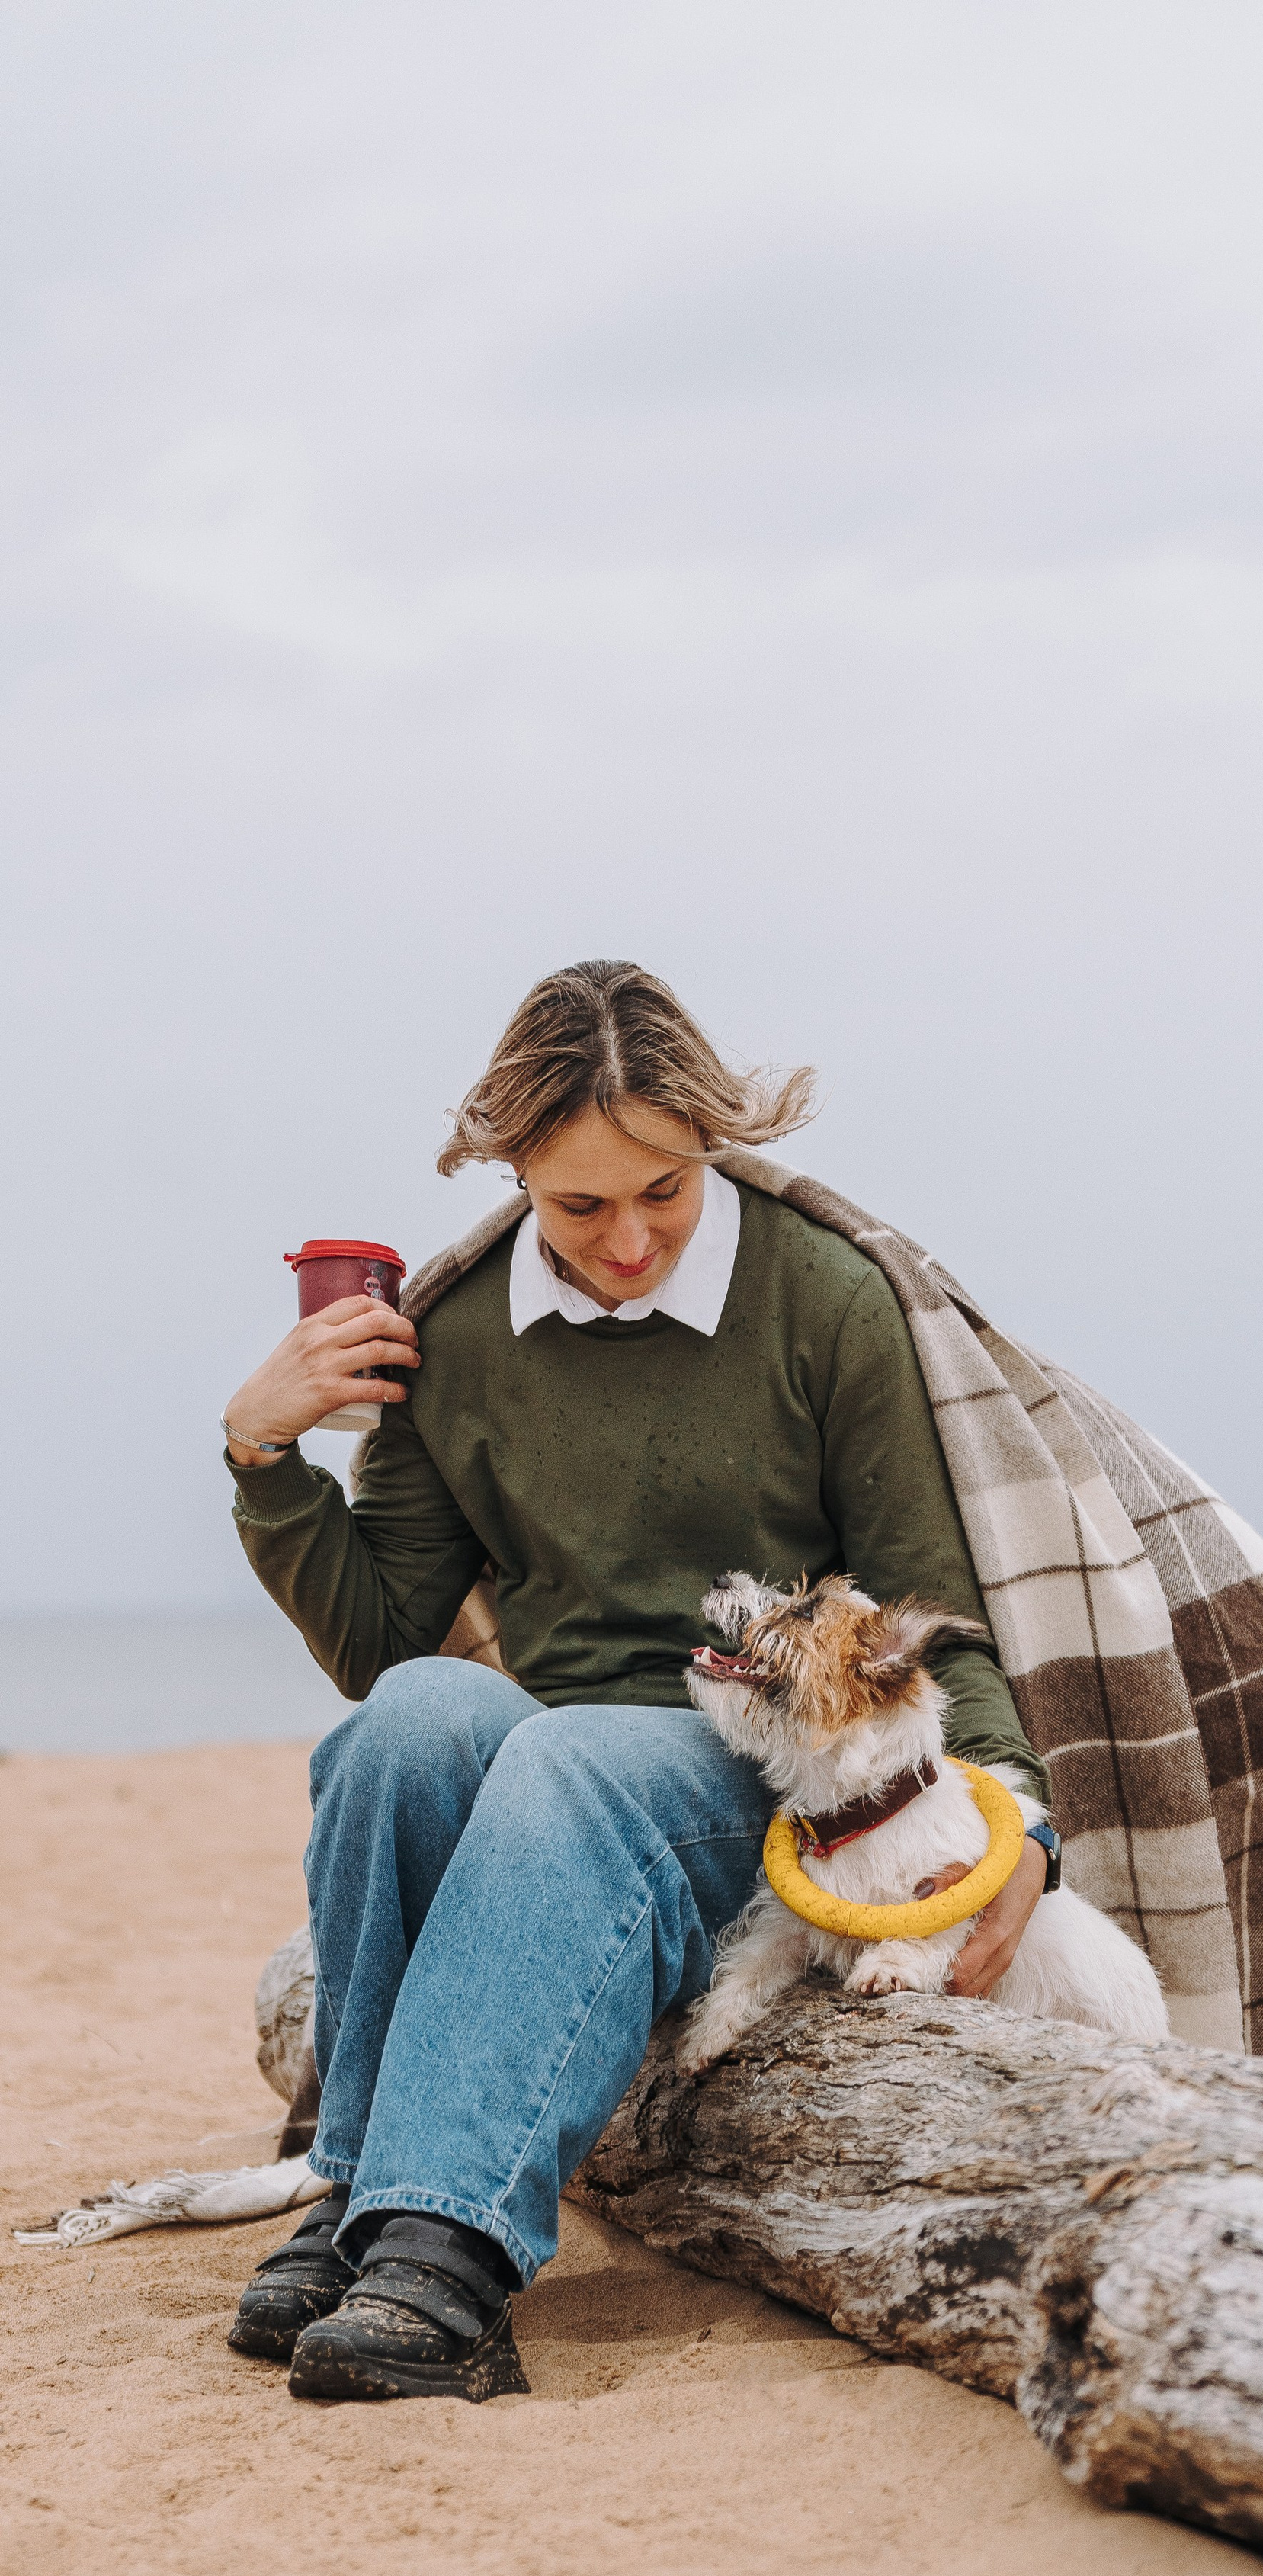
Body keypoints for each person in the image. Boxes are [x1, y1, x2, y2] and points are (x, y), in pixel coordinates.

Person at [219, 960, 1054, 2402]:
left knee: (569, 1758)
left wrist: (1016, 1826)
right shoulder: (457, 1334)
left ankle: (442, 2254)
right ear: (514, 1175)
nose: (626, 1239)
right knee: (410, 1719)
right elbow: (381, 1643)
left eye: (663, 1189)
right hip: (561, 1786)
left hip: (763, 1793)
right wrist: (264, 1452)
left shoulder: (824, 1298)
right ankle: (354, 2185)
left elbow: (932, 1612)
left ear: (712, 1142)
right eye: (578, 1205)